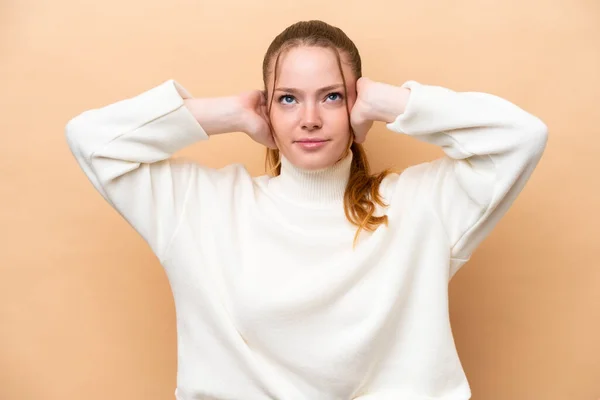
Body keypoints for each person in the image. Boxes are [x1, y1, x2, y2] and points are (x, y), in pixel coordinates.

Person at [65, 19, 547, 400]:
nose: (310, 119)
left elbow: (521, 138)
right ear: (266, 110)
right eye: (288, 99)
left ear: (356, 104)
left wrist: (393, 102)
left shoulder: (422, 208)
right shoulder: (201, 209)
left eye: (332, 97)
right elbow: (92, 140)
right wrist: (227, 113)